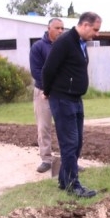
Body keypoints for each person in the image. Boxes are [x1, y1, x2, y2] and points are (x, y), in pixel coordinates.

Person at [41, 11, 102, 198]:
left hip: (75, 98)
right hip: (62, 99)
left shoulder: (81, 43)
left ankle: (63, 180)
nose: (97, 34)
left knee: (77, 143)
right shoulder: (65, 41)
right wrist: (48, 91)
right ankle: (73, 185)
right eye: (95, 29)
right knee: (70, 143)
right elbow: (48, 69)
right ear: (84, 25)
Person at [29, 17, 64, 173]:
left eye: (62, 28)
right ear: (49, 28)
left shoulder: (64, 46)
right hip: (43, 92)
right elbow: (36, 71)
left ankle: (68, 160)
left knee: (65, 127)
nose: (61, 31)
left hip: (62, 93)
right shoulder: (38, 47)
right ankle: (46, 159)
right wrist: (48, 88)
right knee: (44, 127)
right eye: (57, 28)